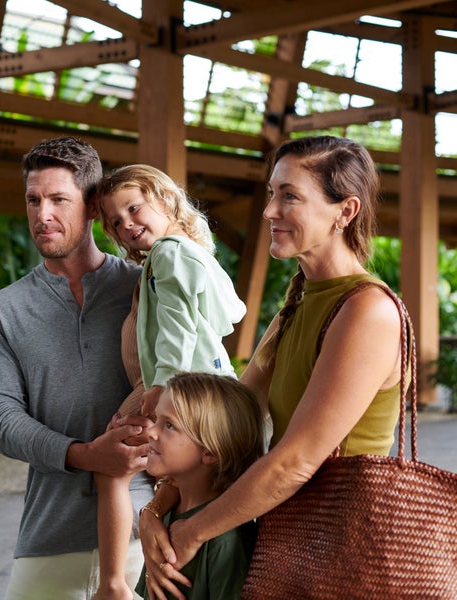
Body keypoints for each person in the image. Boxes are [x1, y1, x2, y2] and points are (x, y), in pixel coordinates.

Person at [138, 135, 404, 600]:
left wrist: (193, 531)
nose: (269, 211)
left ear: (345, 211)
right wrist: (154, 511)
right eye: (271, 193)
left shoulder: (368, 311)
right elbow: (229, 419)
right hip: (292, 536)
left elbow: (297, 461)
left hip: (343, 550)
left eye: (290, 196)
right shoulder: (300, 298)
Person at [0, 137, 154, 599]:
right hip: (48, 541)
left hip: (149, 533)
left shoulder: (145, 288)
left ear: (93, 206)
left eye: (58, 199)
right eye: (33, 200)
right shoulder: (4, 310)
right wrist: (84, 454)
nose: (42, 214)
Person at [93, 164, 246, 599]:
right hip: (196, 381)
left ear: (167, 199)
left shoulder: (168, 254)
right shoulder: (190, 252)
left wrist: (162, 386)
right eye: (116, 222)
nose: (127, 224)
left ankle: (114, 584)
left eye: (135, 208)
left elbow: (178, 323)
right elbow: (231, 313)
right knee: (183, 475)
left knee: (111, 460)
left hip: (176, 382)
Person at [135, 372, 264, 599]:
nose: (151, 431)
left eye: (169, 426)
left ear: (210, 451)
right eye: (156, 420)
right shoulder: (163, 518)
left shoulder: (228, 541)